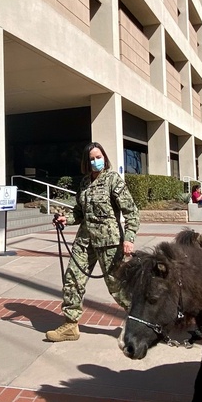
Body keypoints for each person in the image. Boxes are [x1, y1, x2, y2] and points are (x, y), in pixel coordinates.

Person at [45, 142, 139, 342]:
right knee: (72, 279)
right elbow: (79, 212)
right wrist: (67, 219)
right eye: (92, 159)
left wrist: (129, 239)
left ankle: (141, 320)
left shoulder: (113, 179)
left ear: (104, 157)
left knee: (117, 287)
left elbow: (132, 212)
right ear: (86, 162)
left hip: (110, 242)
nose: (96, 161)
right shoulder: (85, 183)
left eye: (99, 157)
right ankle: (70, 325)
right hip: (85, 241)